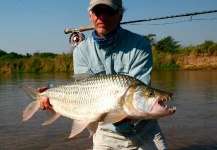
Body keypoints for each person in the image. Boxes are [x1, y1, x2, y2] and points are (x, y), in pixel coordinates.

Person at [39, 0, 168, 149]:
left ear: (120, 15)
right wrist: (54, 100)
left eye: (109, 11)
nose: (102, 17)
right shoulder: (81, 51)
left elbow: (139, 97)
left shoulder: (141, 45)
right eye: (97, 12)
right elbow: (82, 95)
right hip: (105, 134)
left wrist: (120, 112)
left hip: (145, 132)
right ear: (90, 16)